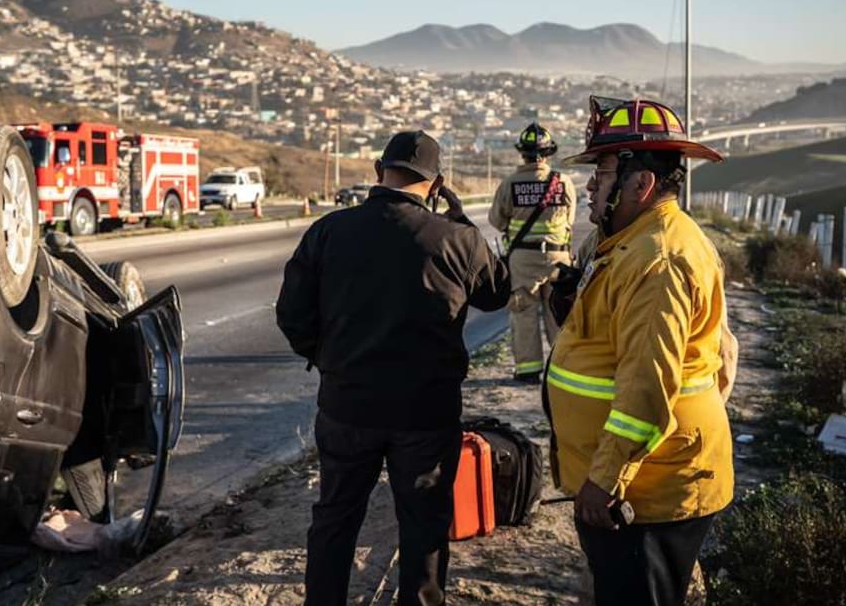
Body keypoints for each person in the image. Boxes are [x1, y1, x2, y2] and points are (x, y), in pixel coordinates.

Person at [277, 129, 511, 606]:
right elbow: (497, 293)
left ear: (377, 172)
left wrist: (327, 359)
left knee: (335, 520)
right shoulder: (458, 240)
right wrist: (460, 217)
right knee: (423, 527)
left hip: (347, 405)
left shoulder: (329, 230)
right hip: (425, 412)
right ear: (437, 183)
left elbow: (291, 314)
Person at [546, 96, 734, 606]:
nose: (589, 185)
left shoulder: (660, 258)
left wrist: (605, 480)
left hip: (647, 492)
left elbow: (647, 388)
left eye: (602, 173)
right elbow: (723, 356)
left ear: (639, 184)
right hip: (645, 479)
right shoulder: (633, 242)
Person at [488, 122, 575, 383]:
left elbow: (496, 220)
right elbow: (569, 219)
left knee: (523, 311)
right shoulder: (563, 182)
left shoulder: (510, 183)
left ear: (522, 153)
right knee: (558, 312)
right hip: (559, 258)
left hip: (523, 259)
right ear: (548, 153)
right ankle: (563, 367)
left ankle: (528, 370)